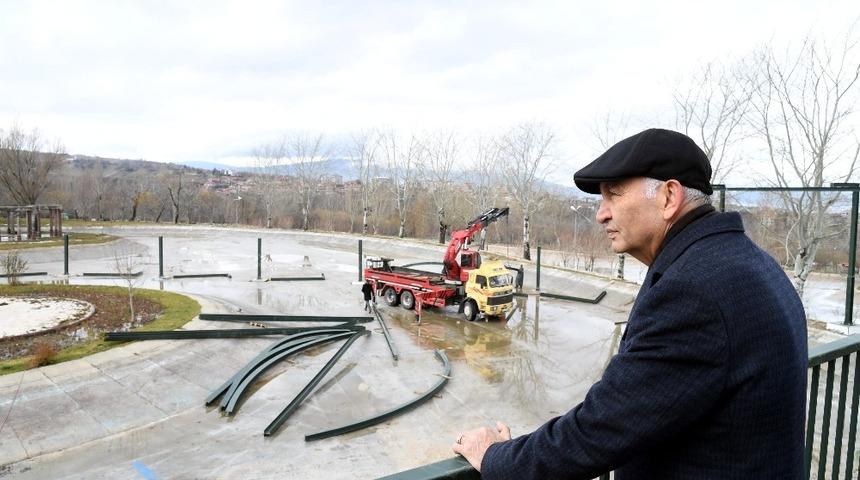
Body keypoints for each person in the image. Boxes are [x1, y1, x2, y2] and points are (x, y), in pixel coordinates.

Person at [452, 128, 808, 479]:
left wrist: (497, 459)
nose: (601, 214)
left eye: (614, 194)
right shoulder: (749, 262)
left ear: (669, 197)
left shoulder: (693, 291)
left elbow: (602, 428)